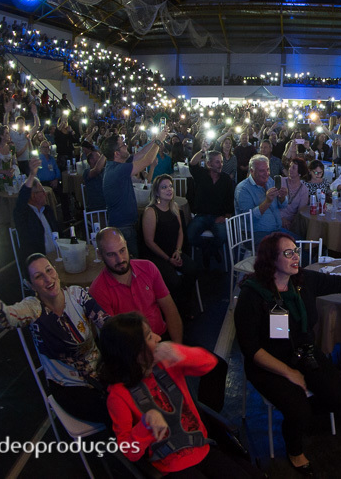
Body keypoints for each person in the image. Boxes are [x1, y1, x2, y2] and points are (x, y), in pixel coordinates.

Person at [234, 233, 341, 474]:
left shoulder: (301, 281)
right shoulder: (253, 295)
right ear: (270, 259)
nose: (296, 256)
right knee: (298, 408)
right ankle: (295, 449)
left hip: (302, 352)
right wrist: (288, 373)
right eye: (288, 253)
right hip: (268, 363)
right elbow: (251, 349)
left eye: (296, 250)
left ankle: (302, 418)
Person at [0, 254, 111, 427]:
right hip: (70, 387)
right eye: (39, 276)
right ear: (31, 285)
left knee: (131, 396)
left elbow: (106, 323)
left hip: (102, 372)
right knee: (114, 411)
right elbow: (6, 318)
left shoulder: (77, 295)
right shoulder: (33, 308)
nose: (48, 278)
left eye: (49, 270)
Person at [99, 312, 254, 478]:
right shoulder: (118, 396)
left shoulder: (165, 363)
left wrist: (179, 353)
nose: (158, 338)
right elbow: (130, 452)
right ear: (135, 353)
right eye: (150, 336)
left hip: (202, 447)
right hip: (171, 465)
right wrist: (145, 425)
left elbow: (209, 364)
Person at [91, 228, 227, 413]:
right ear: (100, 255)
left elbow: (170, 309)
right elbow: (116, 343)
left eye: (122, 251)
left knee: (217, 367)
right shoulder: (98, 290)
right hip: (135, 354)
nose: (120, 259)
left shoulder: (148, 268)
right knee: (167, 401)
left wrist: (177, 349)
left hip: (162, 338)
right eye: (111, 255)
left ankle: (208, 421)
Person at [140, 174, 197, 306]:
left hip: (173, 251)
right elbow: (149, 242)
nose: (169, 189)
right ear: (157, 192)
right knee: (173, 280)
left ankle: (184, 303)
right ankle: (171, 308)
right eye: (164, 187)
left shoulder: (174, 207)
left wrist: (178, 251)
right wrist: (167, 259)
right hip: (157, 256)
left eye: (170, 186)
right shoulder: (151, 211)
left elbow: (180, 232)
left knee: (193, 269)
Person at [102, 132, 160, 256]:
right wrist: (159, 142)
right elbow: (147, 160)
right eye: (123, 145)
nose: (126, 145)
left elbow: (141, 154)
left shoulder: (118, 164)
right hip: (122, 227)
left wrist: (154, 142)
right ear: (116, 153)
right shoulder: (117, 170)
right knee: (132, 262)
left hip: (127, 224)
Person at [187, 147, 234, 265]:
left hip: (218, 216)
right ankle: (210, 250)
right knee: (189, 235)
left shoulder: (226, 179)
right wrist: (202, 151)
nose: (221, 165)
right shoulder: (201, 175)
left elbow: (230, 199)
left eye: (222, 162)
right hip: (201, 215)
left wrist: (226, 216)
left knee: (223, 236)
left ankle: (208, 251)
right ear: (209, 163)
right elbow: (192, 164)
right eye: (217, 162)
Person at [235, 154, 293, 245]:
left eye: (268, 169)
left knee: (301, 246)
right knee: (286, 251)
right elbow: (248, 218)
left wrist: (282, 197)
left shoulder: (269, 181)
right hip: (255, 234)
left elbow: (283, 205)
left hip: (276, 230)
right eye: (262, 171)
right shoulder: (243, 189)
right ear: (252, 171)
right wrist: (267, 201)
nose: (267, 173)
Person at [14, 157, 59, 259]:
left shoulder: (47, 211)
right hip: (38, 262)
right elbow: (21, 199)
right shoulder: (23, 215)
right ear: (33, 196)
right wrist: (32, 175)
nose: (45, 194)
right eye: (42, 192)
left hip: (56, 257)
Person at [280, 157, 311, 232]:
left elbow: (300, 212)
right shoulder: (281, 182)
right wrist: (281, 219)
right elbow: (272, 204)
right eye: (290, 166)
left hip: (291, 223)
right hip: (276, 218)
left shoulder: (304, 190)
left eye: (293, 167)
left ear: (300, 172)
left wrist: (291, 223)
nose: (290, 169)